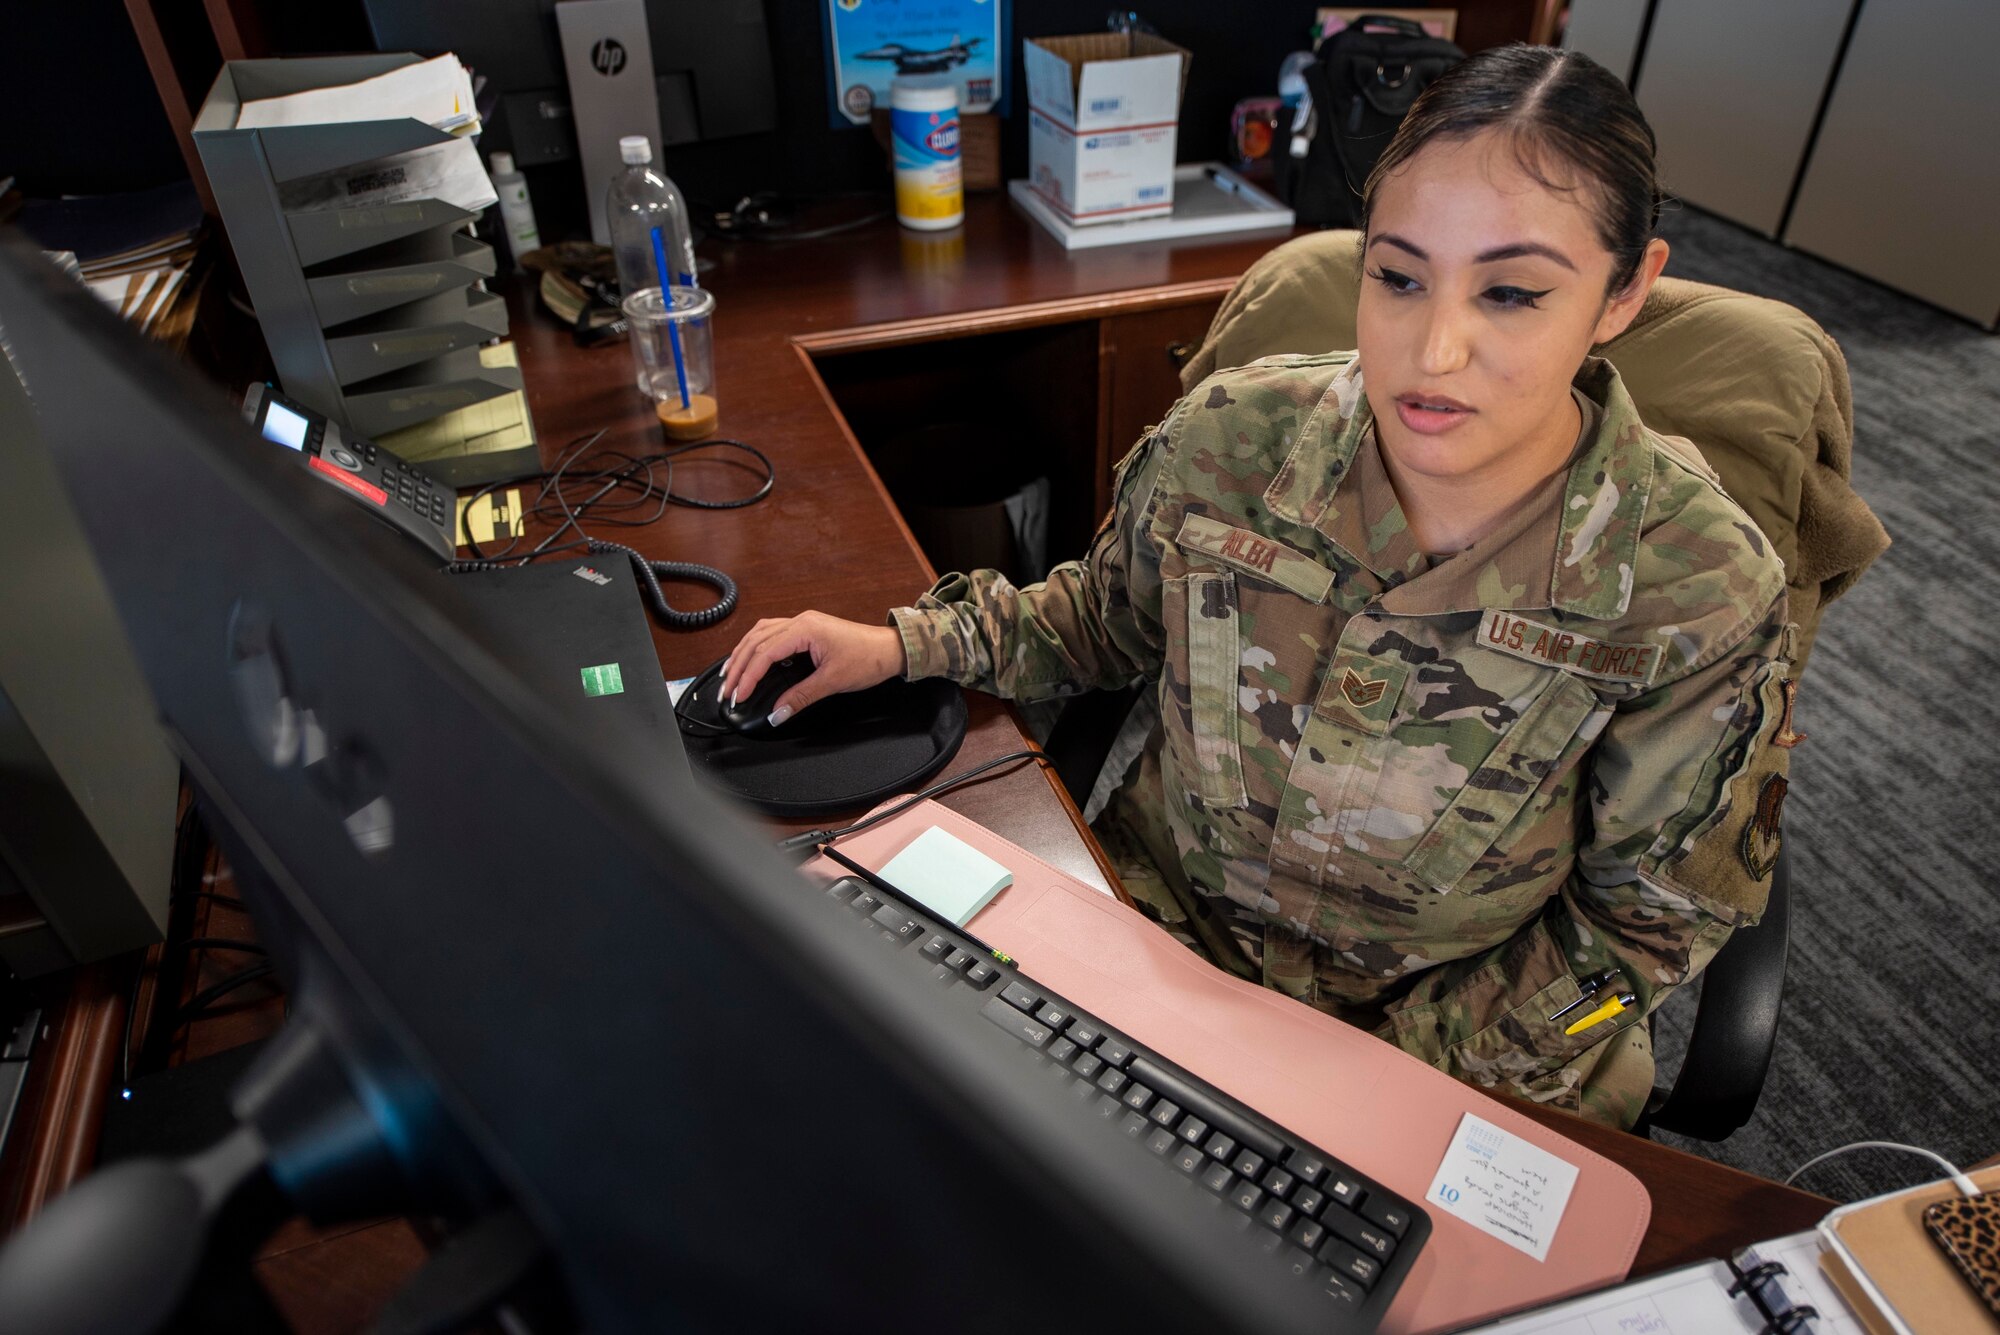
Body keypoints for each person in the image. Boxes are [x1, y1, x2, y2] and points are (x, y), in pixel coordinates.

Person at [723, 45, 1797, 1128]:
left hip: (1455, 1060)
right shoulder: (1235, 439)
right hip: (1158, 961)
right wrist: (906, 645)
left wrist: (1370, 1084)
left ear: (1624, 293)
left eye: (1511, 293)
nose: (1433, 349)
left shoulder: (1695, 586)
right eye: (1396, 276)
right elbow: (1101, 623)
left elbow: (1638, 938)